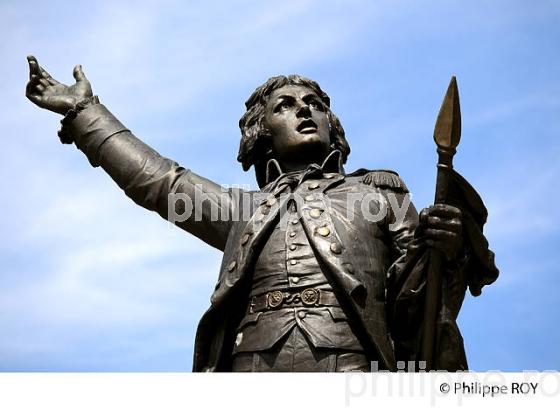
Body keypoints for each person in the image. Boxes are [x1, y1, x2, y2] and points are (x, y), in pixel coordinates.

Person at [25, 56, 498, 372]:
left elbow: (418, 294)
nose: (305, 111)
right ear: (261, 130)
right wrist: (85, 113)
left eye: (315, 105)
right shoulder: (243, 210)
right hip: (250, 367)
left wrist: (446, 245)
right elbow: (161, 182)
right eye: (286, 106)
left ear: (333, 128)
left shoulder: (379, 195)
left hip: (352, 366)